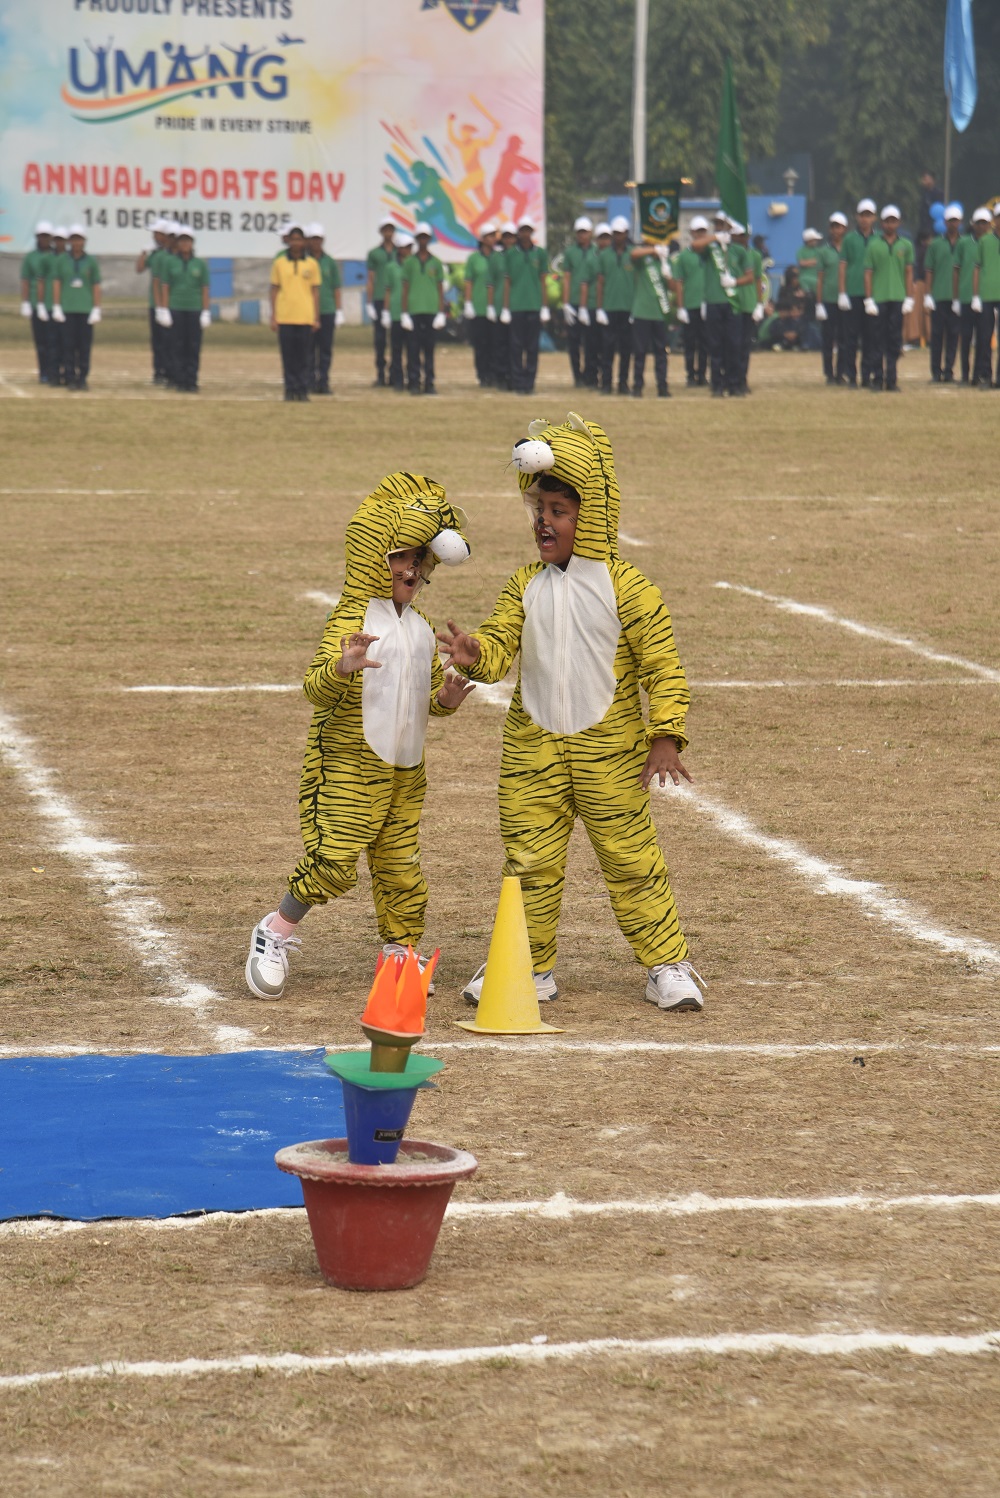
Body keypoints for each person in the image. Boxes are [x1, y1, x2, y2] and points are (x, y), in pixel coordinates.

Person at [439, 413, 704, 1014]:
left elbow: (662, 665)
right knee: (527, 862)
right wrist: (478, 654)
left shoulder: (630, 588)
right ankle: (526, 967)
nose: (544, 522)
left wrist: (666, 735)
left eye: (559, 510)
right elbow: (500, 642)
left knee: (632, 859)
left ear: (593, 516)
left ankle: (666, 964)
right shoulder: (523, 585)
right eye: (539, 510)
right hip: (532, 751)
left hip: (611, 754)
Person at [245, 476, 474, 1000]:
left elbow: (417, 702)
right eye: (400, 557)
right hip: (348, 762)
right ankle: (274, 931)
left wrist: (444, 701)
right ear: (375, 558)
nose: (411, 569)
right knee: (334, 858)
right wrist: (343, 667)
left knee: (401, 866)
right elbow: (314, 689)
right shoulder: (350, 619)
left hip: (404, 769)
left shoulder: (421, 627)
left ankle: (400, 950)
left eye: (419, 559)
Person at [697, 215, 754, 397]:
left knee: (734, 344)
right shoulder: (711, 248)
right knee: (715, 345)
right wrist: (715, 238)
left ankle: (734, 384)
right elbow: (695, 245)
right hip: (714, 301)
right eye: (716, 224)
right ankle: (717, 385)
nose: (718, 227)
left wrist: (735, 282)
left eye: (722, 224)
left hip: (733, 303)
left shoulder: (739, 250)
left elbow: (750, 276)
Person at [863, 205, 914, 393]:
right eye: (887, 221)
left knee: (894, 340)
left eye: (893, 221)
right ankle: (877, 379)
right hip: (879, 298)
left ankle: (891, 380)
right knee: (877, 339)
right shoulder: (873, 245)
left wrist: (909, 297)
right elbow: (868, 273)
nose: (890, 224)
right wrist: (868, 299)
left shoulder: (906, 245)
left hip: (897, 297)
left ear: (898, 222)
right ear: (882, 223)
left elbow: (908, 272)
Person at [269, 221, 320, 401]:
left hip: (305, 316)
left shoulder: (312, 264)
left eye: (299, 239)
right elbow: (274, 289)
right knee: (288, 356)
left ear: (304, 242)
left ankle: (303, 389)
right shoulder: (280, 263)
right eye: (293, 239)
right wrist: (273, 315)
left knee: (305, 357)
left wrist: (316, 317)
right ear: (288, 241)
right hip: (285, 316)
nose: (296, 243)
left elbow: (315, 291)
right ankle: (290, 389)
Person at [158, 227, 210, 393]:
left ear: (192, 243)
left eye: (187, 241)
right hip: (176, 308)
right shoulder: (170, 262)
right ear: (178, 243)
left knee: (193, 346)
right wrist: (164, 309)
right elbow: (165, 286)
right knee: (177, 345)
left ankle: (191, 380)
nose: (185, 244)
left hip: (194, 308)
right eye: (182, 241)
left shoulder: (200, 264)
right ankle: (179, 380)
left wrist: (206, 311)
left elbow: (205, 288)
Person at [51, 225, 102, 392]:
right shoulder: (61, 260)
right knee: (68, 345)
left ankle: (83, 378)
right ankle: (70, 377)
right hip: (68, 308)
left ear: (84, 241)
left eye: (79, 239)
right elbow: (57, 282)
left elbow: (95, 284)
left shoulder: (91, 261)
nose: (76, 242)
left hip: (85, 309)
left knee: (84, 347)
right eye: (73, 239)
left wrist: (96, 307)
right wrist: (57, 305)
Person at [503, 216, 549, 396]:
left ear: (532, 232)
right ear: (519, 232)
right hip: (516, 306)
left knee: (532, 347)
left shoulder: (540, 253)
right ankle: (518, 382)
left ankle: (529, 383)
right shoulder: (511, 254)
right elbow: (507, 282)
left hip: (534, 305)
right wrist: (505, 307)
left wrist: (544, 306)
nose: (525, 233)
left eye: (528, 230)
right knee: (516, 346)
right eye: (523, 230)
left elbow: (543, 281)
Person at [838, 198, 881, 388]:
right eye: (862, 215)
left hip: (873, 294)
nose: (865, 219)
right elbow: (842, 266)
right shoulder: (849, 239)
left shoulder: (879, 239)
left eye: (868, 215)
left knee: (870, 337)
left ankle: (866, 375)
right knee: (851, 338)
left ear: (874, 218)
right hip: (853, 292)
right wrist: (842, 292)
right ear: (857, 217)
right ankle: (851, 375)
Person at [401, 222, 446, 396]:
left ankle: (429, 382)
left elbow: (440, 289)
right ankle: (413, 382)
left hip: (431, 310)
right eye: (420, 237)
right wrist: (404, 313)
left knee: (429, 349)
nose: (423, 240)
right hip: (414, 310)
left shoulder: (436, 263)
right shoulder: (409, 262)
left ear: (429, 239)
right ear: (416, 239)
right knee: (413, 349)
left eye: (425, 237)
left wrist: (441, 312)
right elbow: (405, 288)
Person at [595, 215, 635, 394]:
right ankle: (606, 383)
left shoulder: (633, 254)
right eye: (615, 233)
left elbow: (637, 281)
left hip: (628, 307)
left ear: (626, 233)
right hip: (609, 307)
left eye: (621, 233)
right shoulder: (604, 255)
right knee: (607, 348)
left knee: (626, 349)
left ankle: (623, 383)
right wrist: (599, 308)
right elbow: (600, 283)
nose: (618, 236)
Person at [924, 204, 962, 383]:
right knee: (937, 336)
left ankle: (948, 371)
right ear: (945, 222)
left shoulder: (965, 243)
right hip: (939, 296)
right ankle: (935, 371)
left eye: (955, 220)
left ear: (960, 222)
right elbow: (929, 270)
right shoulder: (935, 244)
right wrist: (928, 294)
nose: (953, 223)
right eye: (950, 220)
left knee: (953, 335)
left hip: (957, 297)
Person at [629, 236, 671, 397]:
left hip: (660, 313)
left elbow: (673, 287)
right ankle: (637, 386)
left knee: (661, 352)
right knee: (640, 352)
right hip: (642, 312)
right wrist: (654, 250)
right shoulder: (643, 260)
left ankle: (662, 386)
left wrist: (668, 274)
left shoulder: (665, 262)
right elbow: (633, 254)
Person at [307, 223, 343, 396]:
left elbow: (336, 287)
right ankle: (309, 381)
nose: (316, 242)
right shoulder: (305, 261)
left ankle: (324, 382)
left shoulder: (330, 262)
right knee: (309, 349)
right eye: (313, 239)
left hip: (327, 310)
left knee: (325, 349)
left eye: (318, 239)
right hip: (308, 311)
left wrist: (339, 310)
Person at [672, 216, 709, 386]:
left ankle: (702, 374)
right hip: (690, 304)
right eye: (698, 231)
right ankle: (690, 375)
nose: (700, 234)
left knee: (705, 342)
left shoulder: (710, 254)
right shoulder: (684, 256)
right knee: (690, 343)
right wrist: (681, 307)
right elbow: (679, 282)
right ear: (692, 233)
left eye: (703, 231)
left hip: (707, 304)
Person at [561, 216, 597, 388]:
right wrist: (565, 303)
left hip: (591, 302)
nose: (582, 235)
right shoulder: (570, 252)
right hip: (574, 302)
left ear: (590, 233)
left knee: (591, 342)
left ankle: (590, 374)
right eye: (579, 232)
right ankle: (577, 375)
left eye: (585, 232)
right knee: (573, 342)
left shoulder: (597, 251)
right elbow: (567, 278)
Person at [956, 207, 990, 384]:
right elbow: (956, 270)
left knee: (983, 339)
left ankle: (978, 374)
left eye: (984, 223)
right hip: (966, 296)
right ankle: (965, 374)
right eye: (979, 223)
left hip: (986, 298)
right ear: (973, 224)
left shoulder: (992, 243)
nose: (981, 226)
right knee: (966, 338)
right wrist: (956, 297)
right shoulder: (963, 243)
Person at [136, 218, 172, 385]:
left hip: (170, 304)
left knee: (169, 340)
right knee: (157, 341)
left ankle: (170, 371)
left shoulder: (172, 255)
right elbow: (139, 268)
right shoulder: (155, 254)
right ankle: (159, 372)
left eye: (157, 233)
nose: (154, 237)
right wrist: (144, 252)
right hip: (154, 303)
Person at [815, 211, 849, 384]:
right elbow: (820, 279)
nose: (836, 230)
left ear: (845, 229)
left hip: (845, 300)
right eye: (834, 227)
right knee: (828, 338)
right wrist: (818, 303)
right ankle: (829, 373)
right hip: (828, 299)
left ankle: (840, 372)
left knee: (844, 338)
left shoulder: (849, 249)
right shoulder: (823, 251)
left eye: (839, 227)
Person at [463, 223, 498, 388]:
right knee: (481, 344)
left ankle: (494, 374)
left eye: (494, 236)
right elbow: (469, 281)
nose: (493, 239)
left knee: (495, 343)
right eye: (489, 236)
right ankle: (482, 374)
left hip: (496, 307)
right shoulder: (474, 259)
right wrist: (468, 302)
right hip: (479, 307)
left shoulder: (498, 257)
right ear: (482, 239)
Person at [730, 220, 763, 394]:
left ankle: (742, 379)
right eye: (739, 236)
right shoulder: (730, 254)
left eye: (744, 236)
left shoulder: (755, 255)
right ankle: (731, 378)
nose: (742, 239)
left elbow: (757, 279)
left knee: (744, 345)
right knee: (732, 344)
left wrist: (759, 303)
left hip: (749, 303)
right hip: (733, 303)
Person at [19, 221, 53, 384]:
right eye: (41, 236)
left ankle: (55, 370)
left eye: (46, 236)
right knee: (41, 341)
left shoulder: (57, 256)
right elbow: (26, 280)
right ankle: (44, 372)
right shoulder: (31, 257)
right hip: (35, 303)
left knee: (56, 341)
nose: (44, 239)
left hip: (53, 303)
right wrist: (25, 302)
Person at [365, 218, 397, 387]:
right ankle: (380, 373)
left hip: (396, 298)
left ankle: (395, 372)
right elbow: (371, 278)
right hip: (379, 297)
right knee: (380, 339)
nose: (388, 233)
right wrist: (369, 301)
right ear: (381, 232)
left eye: (391, 229)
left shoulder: (401, 251)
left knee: (397, 338)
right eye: (386, 229)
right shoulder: (374, 253)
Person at [971, 204, 1000, 390]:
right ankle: (986, 375)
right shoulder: (984, 241)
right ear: (994, 220)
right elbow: (977, 269)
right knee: (984, 337)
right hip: (987, 295)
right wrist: (975, 295)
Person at [382, 232, 414, 392]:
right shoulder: (390, 267)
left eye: (409, 247)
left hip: (412, 311)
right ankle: (397, 379)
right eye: (405, 247)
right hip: (395, 312)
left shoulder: (414, 265)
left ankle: (412, 377)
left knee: (412, 348)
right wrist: (385, 311)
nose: (407, 250)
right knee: (396, 349)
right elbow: (388, 290)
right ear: (399, 249)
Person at [486, 221, 516, 390]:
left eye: (511, 237)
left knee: (515, 345)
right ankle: (501, 376)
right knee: (499, 344)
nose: (509, 240)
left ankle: (514, 376)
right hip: (498, 307)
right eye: (506, 237)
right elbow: (490, 283)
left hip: (516, 306)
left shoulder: (519, 256)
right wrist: (490, 306)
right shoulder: (495, 257)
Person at [41, 227, 68, 388]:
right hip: (51, 305)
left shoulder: (70, 259)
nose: (59, 243)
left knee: (68, 343)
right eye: (57, 239)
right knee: (52, 342)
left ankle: (68, 373)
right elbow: (41, 281)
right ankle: (53, 374)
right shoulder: (47, 259)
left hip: (68, 307)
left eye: (62, 240)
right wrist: (41, 304)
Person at [796, 228, 823, 305]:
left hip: (817, 280)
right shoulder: (801, 251)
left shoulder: (818, 250)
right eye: (814, 240)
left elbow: (819, 261)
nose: (816, 241)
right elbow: (801, 263)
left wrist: (807, 262)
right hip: (804, 280)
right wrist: (813, 261)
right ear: (809, 241)